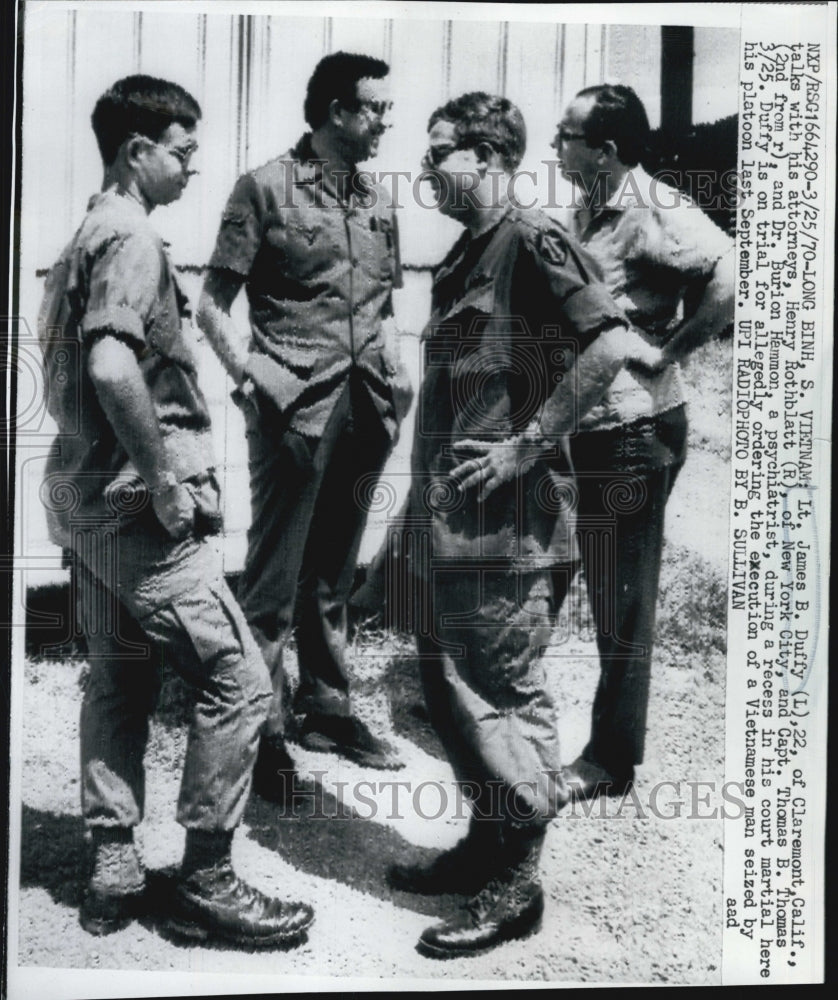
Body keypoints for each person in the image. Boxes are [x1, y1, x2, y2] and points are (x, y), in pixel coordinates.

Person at [37, 75, 314, 948]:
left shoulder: (85, 234)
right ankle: (207, 881)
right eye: (183, 151)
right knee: (239, 680)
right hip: (139, 511)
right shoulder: (132, 238)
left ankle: (114, 866)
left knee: (117, 678)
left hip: (88, 501)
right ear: (137, 151)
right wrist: (162, 478)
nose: (194, 167)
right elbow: (112, 366)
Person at [385, 92, 662, 959]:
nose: (426, 168)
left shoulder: (533, 240)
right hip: (451, 523)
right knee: (452, 689)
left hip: (512, 530)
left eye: (440, 152)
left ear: (489, 157)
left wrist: (527, 446)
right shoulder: (466, 254)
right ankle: (487, 842)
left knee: (504, 694)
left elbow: (610, 344)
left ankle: (518, 882)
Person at [197, 52, 408, 794]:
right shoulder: (264, 188)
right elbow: (211, 305)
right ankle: (263, 732)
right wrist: (252, 377)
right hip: (294, 410)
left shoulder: (378, 200)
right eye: (376, 108)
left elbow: (384, 305)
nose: (385, 122)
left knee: (333, 571)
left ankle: (329, 709)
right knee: (275, 578)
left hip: (366, 408)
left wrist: (398, 377)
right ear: (336, 111)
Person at [551, 84, 735, 800]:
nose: (556, 147)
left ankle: (610, 760)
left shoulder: (654, 207)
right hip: (586, 422)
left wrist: (670, 350)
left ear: (605, 149)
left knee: (622, 599)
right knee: (569, 571)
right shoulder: (587, 207)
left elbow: (730, 276)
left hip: (635, 428)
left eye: (567, 137)